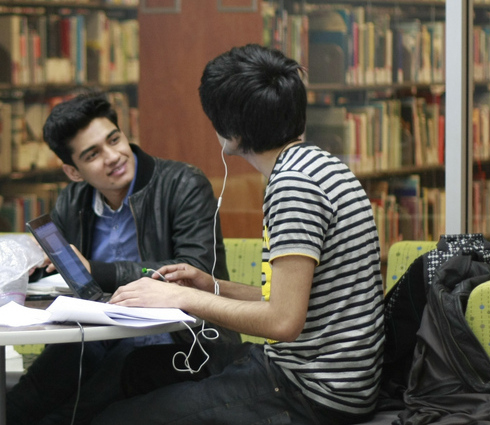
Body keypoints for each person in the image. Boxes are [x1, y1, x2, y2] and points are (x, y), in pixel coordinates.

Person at [98, 44, 385, 424]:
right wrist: (211, 286)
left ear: (230, 130)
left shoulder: (293, 187)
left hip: (311, 392)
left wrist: (178, 295)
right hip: (329, 379)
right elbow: (302, 302)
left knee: (116, 418)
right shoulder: (319, 166)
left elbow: (283, 322)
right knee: (141, 370)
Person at [6, 91, 237, 425]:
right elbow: (63, 272)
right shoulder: (74, 200)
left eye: (114, 139)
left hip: (181, 340)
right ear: (73, 171)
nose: (113, 156)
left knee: (73, 409)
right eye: (93, 154)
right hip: (99, 332)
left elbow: (194, 271)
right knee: (32, 392)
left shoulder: (184, 184)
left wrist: (97, 271)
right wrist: (34, 268)